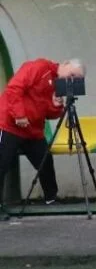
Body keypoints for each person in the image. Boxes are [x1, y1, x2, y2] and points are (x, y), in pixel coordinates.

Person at [0, 57, 80, 212]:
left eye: (75, 79)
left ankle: (51, 198)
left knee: (45, 161)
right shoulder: (39, 68)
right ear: (65, 64)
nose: (70, 80)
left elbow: (48, 113)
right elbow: (14, 89)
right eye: (71, 75)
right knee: (2, 162)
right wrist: (19, 114)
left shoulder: (58, 86)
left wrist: (56, 106)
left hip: (33, 129)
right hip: (10, 124)